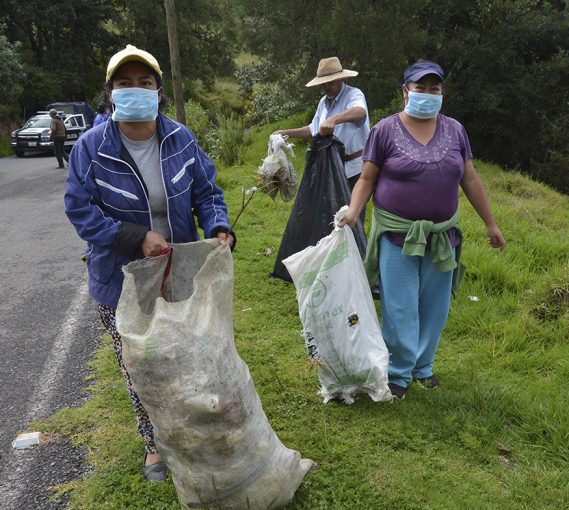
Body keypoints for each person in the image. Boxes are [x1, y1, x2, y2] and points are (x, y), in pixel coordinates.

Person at [64, 44, 235, 482]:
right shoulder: (90, 148)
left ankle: (194, 428)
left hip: (180, 269)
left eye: (145, 83)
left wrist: (218, 226)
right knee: (140, 362)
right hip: (119, 278)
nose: (135, 90)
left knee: (191, 351)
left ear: (159, 92)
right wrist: (135, 237)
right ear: (110, 93)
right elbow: (81, 210)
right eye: (125, 84)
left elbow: (207, 190)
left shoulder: (180, 138)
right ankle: (153, 444)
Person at [338, 61, 506, 400]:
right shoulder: (384, 130)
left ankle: (422, 366)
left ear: (442, 93)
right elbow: (368, 178)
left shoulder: (456, 130)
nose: (428, 94)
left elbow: (469, 178)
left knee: (435, 305)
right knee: (399, 306)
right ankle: (398, 372)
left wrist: (491, 223)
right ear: (405, 91)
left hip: (443, 235)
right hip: (397, 234)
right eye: (420, 87)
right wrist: (353, 212)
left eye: (435, 89)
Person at [273, 56, 370, 226]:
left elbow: (360, 112)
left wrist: (334, 120)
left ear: (340, 78)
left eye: (330, 82)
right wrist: (286, 132)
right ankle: (336, 251)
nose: (327, 86)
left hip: (354, 170)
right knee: (333, 217)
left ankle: (359, 252)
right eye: (323, 83)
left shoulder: (354, 94)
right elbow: (313, 129)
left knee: (353, 219)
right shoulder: (323, 103)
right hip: (331, 168)